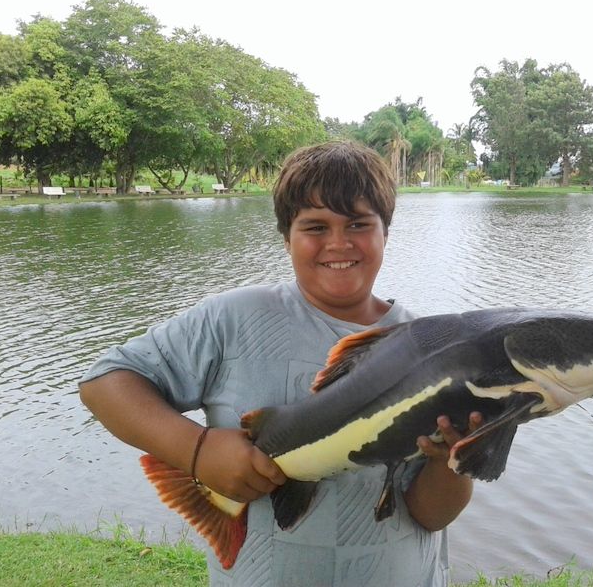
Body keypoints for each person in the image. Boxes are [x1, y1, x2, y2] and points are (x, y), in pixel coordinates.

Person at [79, 140, 482, 587]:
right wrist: (198, 451)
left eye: (358, 224)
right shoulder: (232, 319)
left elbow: (431, 515)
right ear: (286, 236)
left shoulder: (432, 348)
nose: (339, 242)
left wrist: (453, 459)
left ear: (385, 232)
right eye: (315, 226)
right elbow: (105, 382)